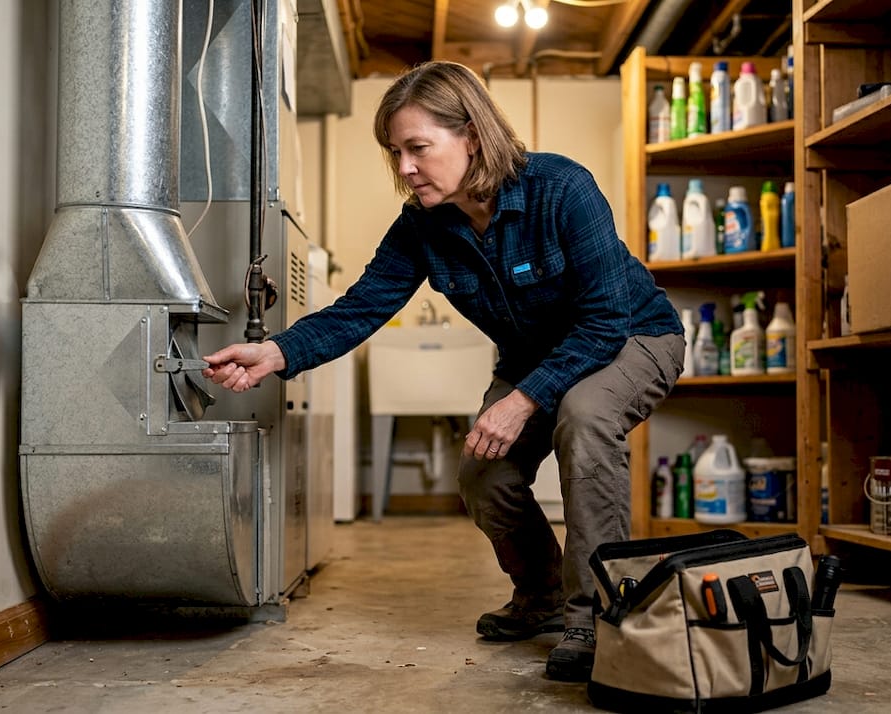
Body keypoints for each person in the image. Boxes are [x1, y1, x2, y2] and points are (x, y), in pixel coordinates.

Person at [202, 61, 683, 682]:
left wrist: (522, 401)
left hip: (632, 338)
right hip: (537, 359)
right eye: (395, 153)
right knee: (484, 472)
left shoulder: (562, 188)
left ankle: (597, 615)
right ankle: (539, 594)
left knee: (584, 418)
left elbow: (604, 321)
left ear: (472, 137)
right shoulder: (422, 226)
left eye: (417, 148)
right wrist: (275, 353)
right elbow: (362, 306)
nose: (404, 167)